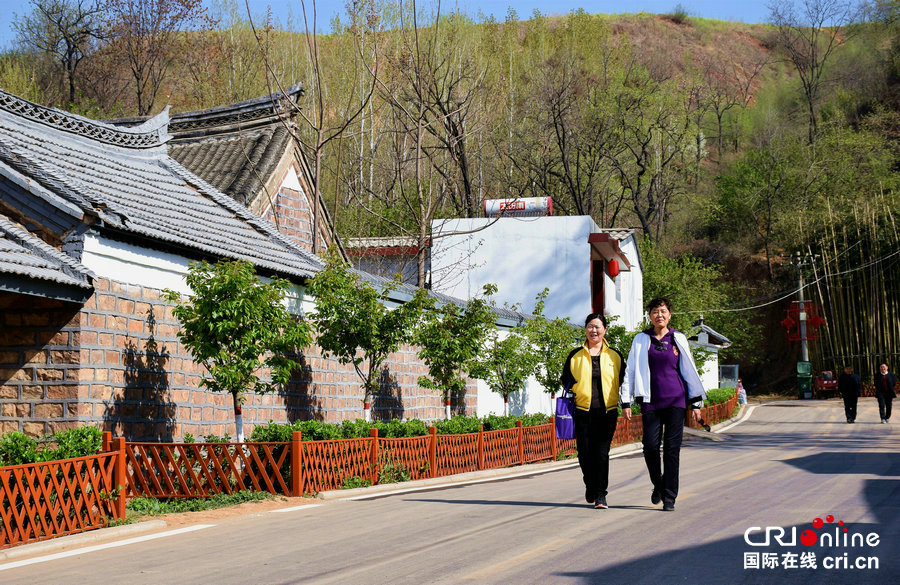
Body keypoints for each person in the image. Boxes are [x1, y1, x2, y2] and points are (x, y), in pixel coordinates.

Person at [620, 298, 705, 512]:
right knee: (649, 446)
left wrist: (695, 403)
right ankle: (658, 484)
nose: (660, 315)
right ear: (649, 315)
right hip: (650, 400)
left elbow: (689, 371)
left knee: (671, 450)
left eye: (663, 311)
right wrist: (626, 400)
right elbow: (630, 370)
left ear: (670, 315)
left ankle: (669, 497)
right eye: (655, 311)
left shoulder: (678, 338)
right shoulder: (641, 339)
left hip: (676, 400)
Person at [560, 313, 625, 510]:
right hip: (582, 411)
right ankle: (590, 484)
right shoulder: (575, 355)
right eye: (590, 326)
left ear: (605, 330)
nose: (593, 330)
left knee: (602, 453)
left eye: (597, 326)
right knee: (584, 453)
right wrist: (576, 389)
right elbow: (566, 379)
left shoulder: (615, 355)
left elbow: (622, 379)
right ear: (585, 329)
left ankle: (601, 495)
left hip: (607, 413)